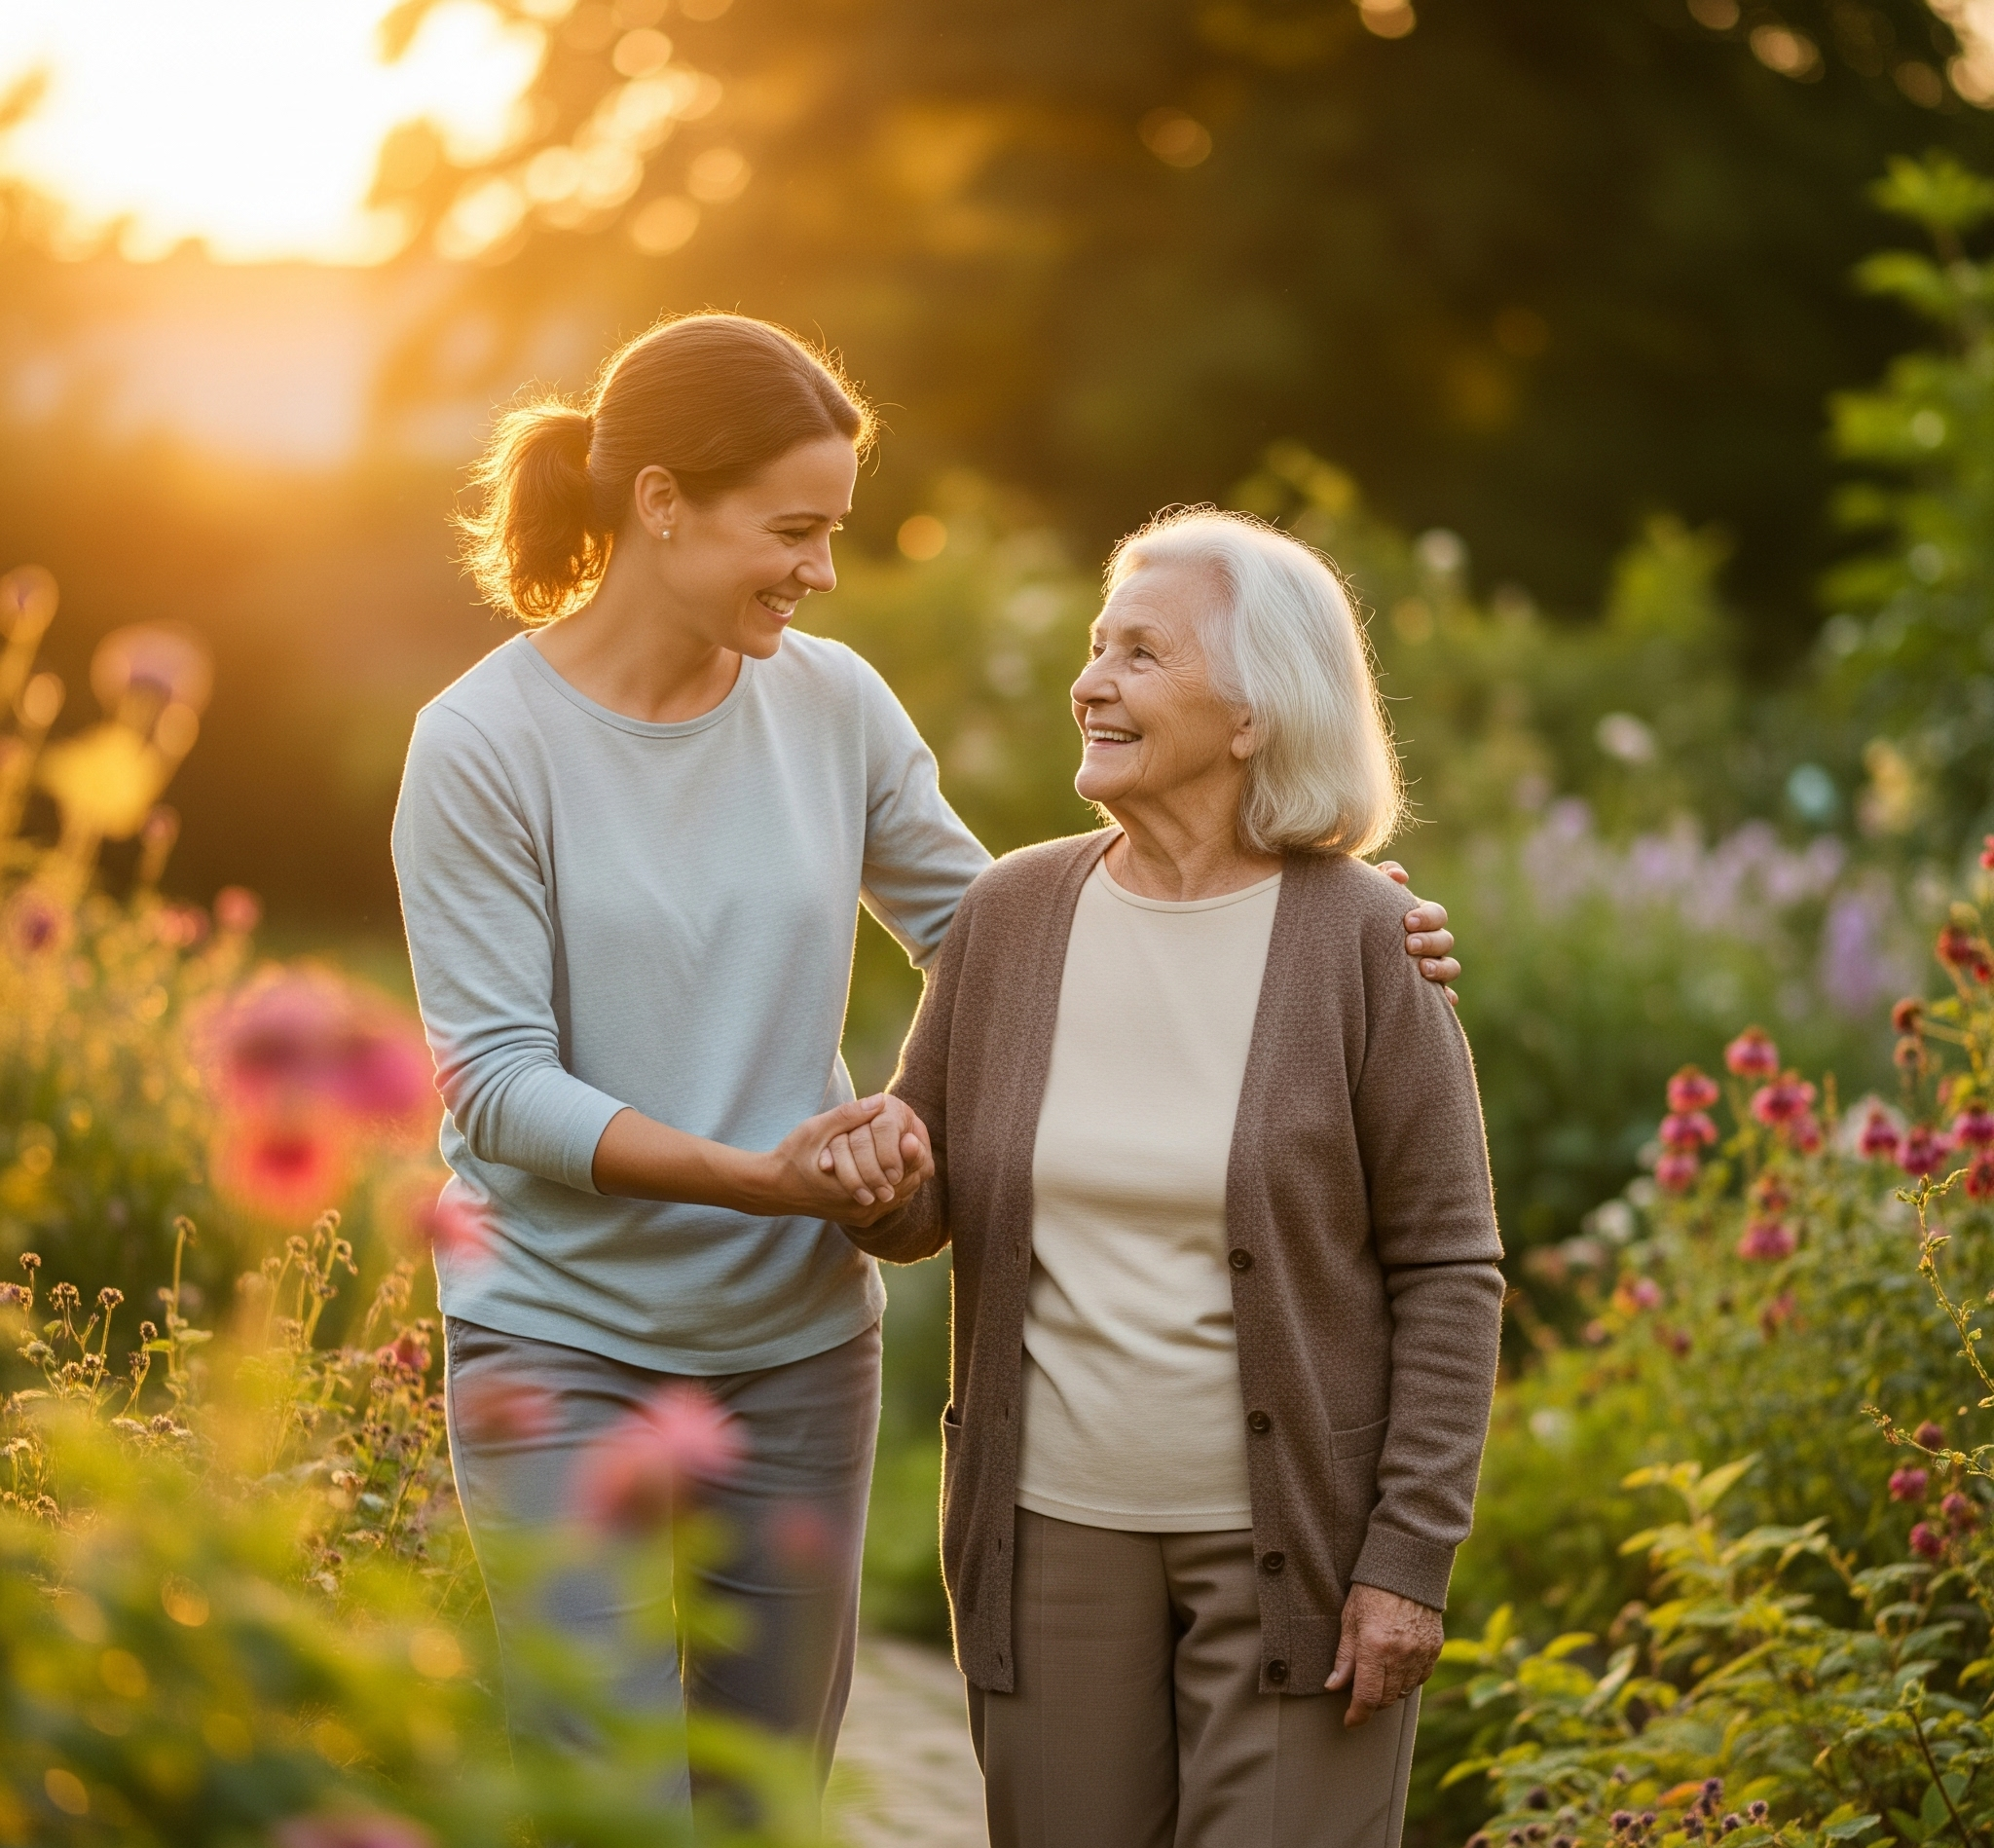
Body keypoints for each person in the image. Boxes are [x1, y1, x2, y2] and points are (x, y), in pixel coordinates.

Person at [390, 314, 1461, 1786]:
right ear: (658, 503)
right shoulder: (482, 744)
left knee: (766, 1786)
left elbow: (989, 925)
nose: (822, 570)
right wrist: (757, 1179)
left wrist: (1306, 914)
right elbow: (498, 1086)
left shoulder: (830, 702)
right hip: (563, 1335)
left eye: (832, 530)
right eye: (793, 528)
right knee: (606, 1784)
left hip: (790, 1347)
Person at [838, 506, 1505, 1848]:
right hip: (1049, 1540)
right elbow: (928, 1198)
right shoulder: (1009, 916)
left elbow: (1449, 1265)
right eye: (1097, 647)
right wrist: (875, 1169)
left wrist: (1407, 1561)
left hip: (1301, 1555)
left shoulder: (1368, 941)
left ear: (1257, 712)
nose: (1092, 681)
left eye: (1140, 653)